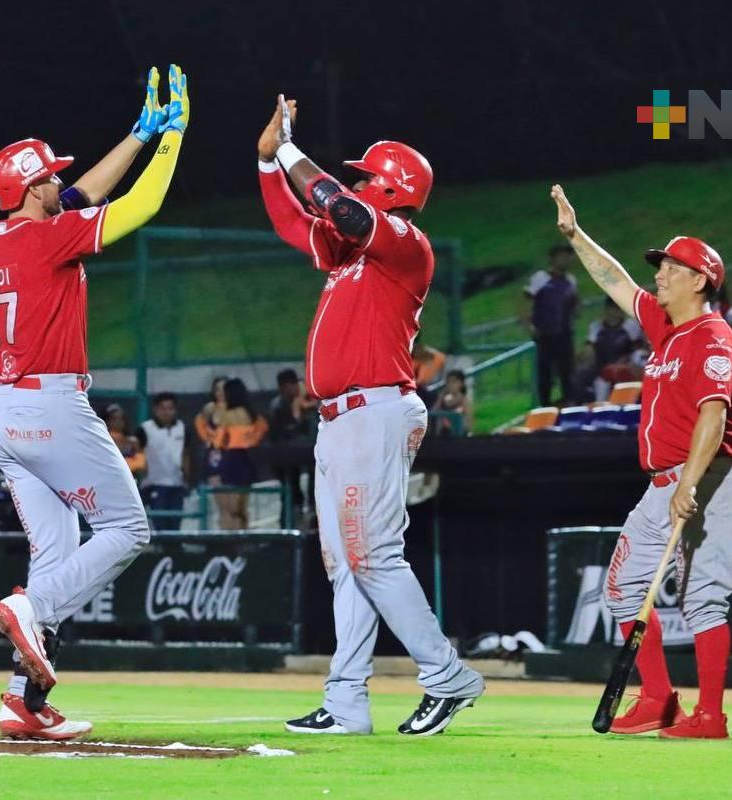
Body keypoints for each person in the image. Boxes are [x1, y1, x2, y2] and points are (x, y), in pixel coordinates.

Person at [258, 95, 484, 736]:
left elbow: (343, 207)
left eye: (365, 175)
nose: (354, 182)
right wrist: (267, 161)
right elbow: (291, 219)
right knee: (347, 564)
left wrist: (293, 154)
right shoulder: (352, 253)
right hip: (339, 420)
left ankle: (447, 676)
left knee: (374, 555)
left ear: (391, 187)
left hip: (374, 411)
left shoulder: (405, 244)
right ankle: (347, 699)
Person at [0, 65, 189, 741]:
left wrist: (134, 134)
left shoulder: (2, 241)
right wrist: (171, 140)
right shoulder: (50, 236)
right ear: (27, 189)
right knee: (128, 530)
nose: (55, 183)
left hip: (6, 413)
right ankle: (30, 608)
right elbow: (142, 205)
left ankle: (24, 701)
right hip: (51, 409)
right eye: (45, 177)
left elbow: (78, 193)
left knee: (58, 551)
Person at [552, 185, 732, 739]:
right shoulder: (667, 328)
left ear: (700, 279)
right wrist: (575, 234)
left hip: (707, 481)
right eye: (660, 266)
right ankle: (659, 698)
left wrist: (688, 483)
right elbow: (615, 280)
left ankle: (710, 717)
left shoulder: (713, 337)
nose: (659, 273)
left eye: (670, 266)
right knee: (620, 591)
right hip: (664, 485)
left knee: (704, 598)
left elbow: (714, 413)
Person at [523, 244, 579, 405]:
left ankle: (569, 406)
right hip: (545, 333)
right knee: (545, 374)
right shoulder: (541, 278)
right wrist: (529, 325)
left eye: (567, 256)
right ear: (553, 258)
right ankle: (544, 407)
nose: (565, 260)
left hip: (565, 333)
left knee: (567, 373)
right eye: (561, 256)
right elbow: (526, 299)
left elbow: (574, 303)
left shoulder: (570, 281)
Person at [213, 378, 268, 529]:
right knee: (242, 504)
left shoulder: (227, 413)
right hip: (247, 456)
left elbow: (218, 440)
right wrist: (251, 440)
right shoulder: (251, 414)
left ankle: (234, 540)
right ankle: (244, 535)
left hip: (232, 458)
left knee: (232, 506)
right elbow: (263, 427)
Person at [268, 369, 316, 524]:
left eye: (296, 384)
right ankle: (289, 523)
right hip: (286, 455)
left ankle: (312, 514)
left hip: (309, 453)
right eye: (291, 385)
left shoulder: (308, 402)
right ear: (283, 387)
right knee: (291, 491)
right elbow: (279, 433)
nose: (295, 388)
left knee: (314, 481)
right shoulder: (278, 405)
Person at [138, 392, 192, 530]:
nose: (167, 412)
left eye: (170, 408)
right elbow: (137, 454)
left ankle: (173, 550)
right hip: (154, 484)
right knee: (159, 522)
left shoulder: (182, 428)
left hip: (176, 484)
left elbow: (186, 454)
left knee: (175, 522)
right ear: (155, 410)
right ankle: (161, 550)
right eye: (163, 408)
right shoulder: (145, 429)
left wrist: (186, 477)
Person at [581, 297, 644, 402]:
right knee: (600, 398)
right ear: (606, 310)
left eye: (616, 309)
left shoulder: (630, 326)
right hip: (602, 371)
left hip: (624, 368)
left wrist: (625, 362)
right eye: (611, 309)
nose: (613, 313)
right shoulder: (596, 327)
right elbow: (588, 349)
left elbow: (637, 349)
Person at [194, 376, 228, 520]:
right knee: (221, 503)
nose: (221, 392)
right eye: (217, 389)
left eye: (224, 389)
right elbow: (203, 430)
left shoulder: (237, 410)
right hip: (216, 458)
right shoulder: (210, 409)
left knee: (236, 504)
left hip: (234, 457)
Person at [100, 403, 145, 480]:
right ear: (106, 421)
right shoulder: (102, 440)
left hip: (129, 481)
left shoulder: (133, 441)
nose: (118, 422)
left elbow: (141, 465)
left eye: (121, 418)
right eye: (114, 419)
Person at [432, 369, 473, 436]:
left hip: (459, 433)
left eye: (453, 382)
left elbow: (469, 418)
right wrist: (440, 399)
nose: (450, 385)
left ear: (461, 383)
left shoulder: (463, 400)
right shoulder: (443, 398)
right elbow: (434, 411)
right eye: (448, 382)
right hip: (444, 433)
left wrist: (469, 431)